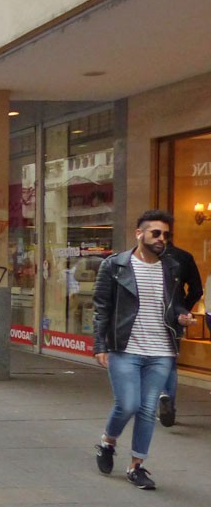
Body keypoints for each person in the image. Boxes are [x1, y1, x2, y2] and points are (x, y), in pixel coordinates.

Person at [93, 210, 193, 491]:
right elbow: (101, 307)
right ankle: (107, 442)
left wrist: (182, 314)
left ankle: (136, 466)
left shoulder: (171, 267)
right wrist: (100, 345)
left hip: (161, 351)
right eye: (156, 233)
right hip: (125, 348)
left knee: (148, 410)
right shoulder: (115, 265)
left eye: (165, 235)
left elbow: (175, 305)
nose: (162, 239)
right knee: (128, 404)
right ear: (140, 234)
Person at [156, 239, 202, 427]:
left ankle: (159, 395)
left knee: (148, 361)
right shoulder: (184, 256)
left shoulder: (146, 257)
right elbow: (196, 289)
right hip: (174, 315)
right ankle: (168, 401)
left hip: (149, 315)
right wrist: (182, 308)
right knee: (170, 361)